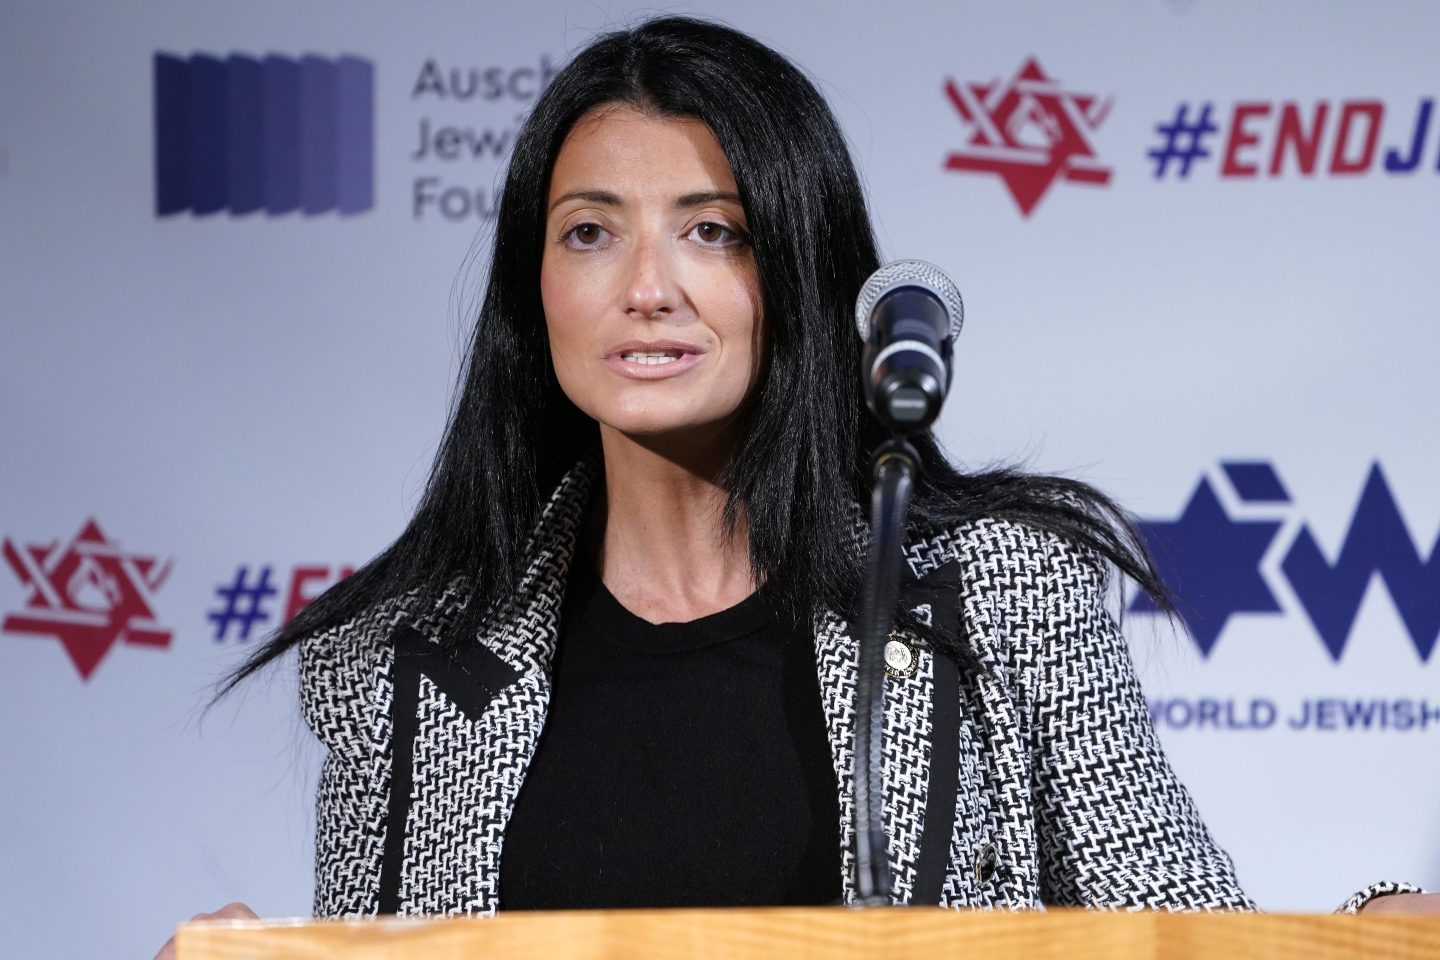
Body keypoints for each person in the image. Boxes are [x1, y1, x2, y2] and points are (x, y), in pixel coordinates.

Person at [156, 15, 1433, 955]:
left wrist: (1368, 926)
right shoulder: (401, 661)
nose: (645, 287)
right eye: (590, 231)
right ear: (530, 287)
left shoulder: (1000, 596)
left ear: (808, 277)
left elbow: (1182, 929)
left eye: (714, 231)